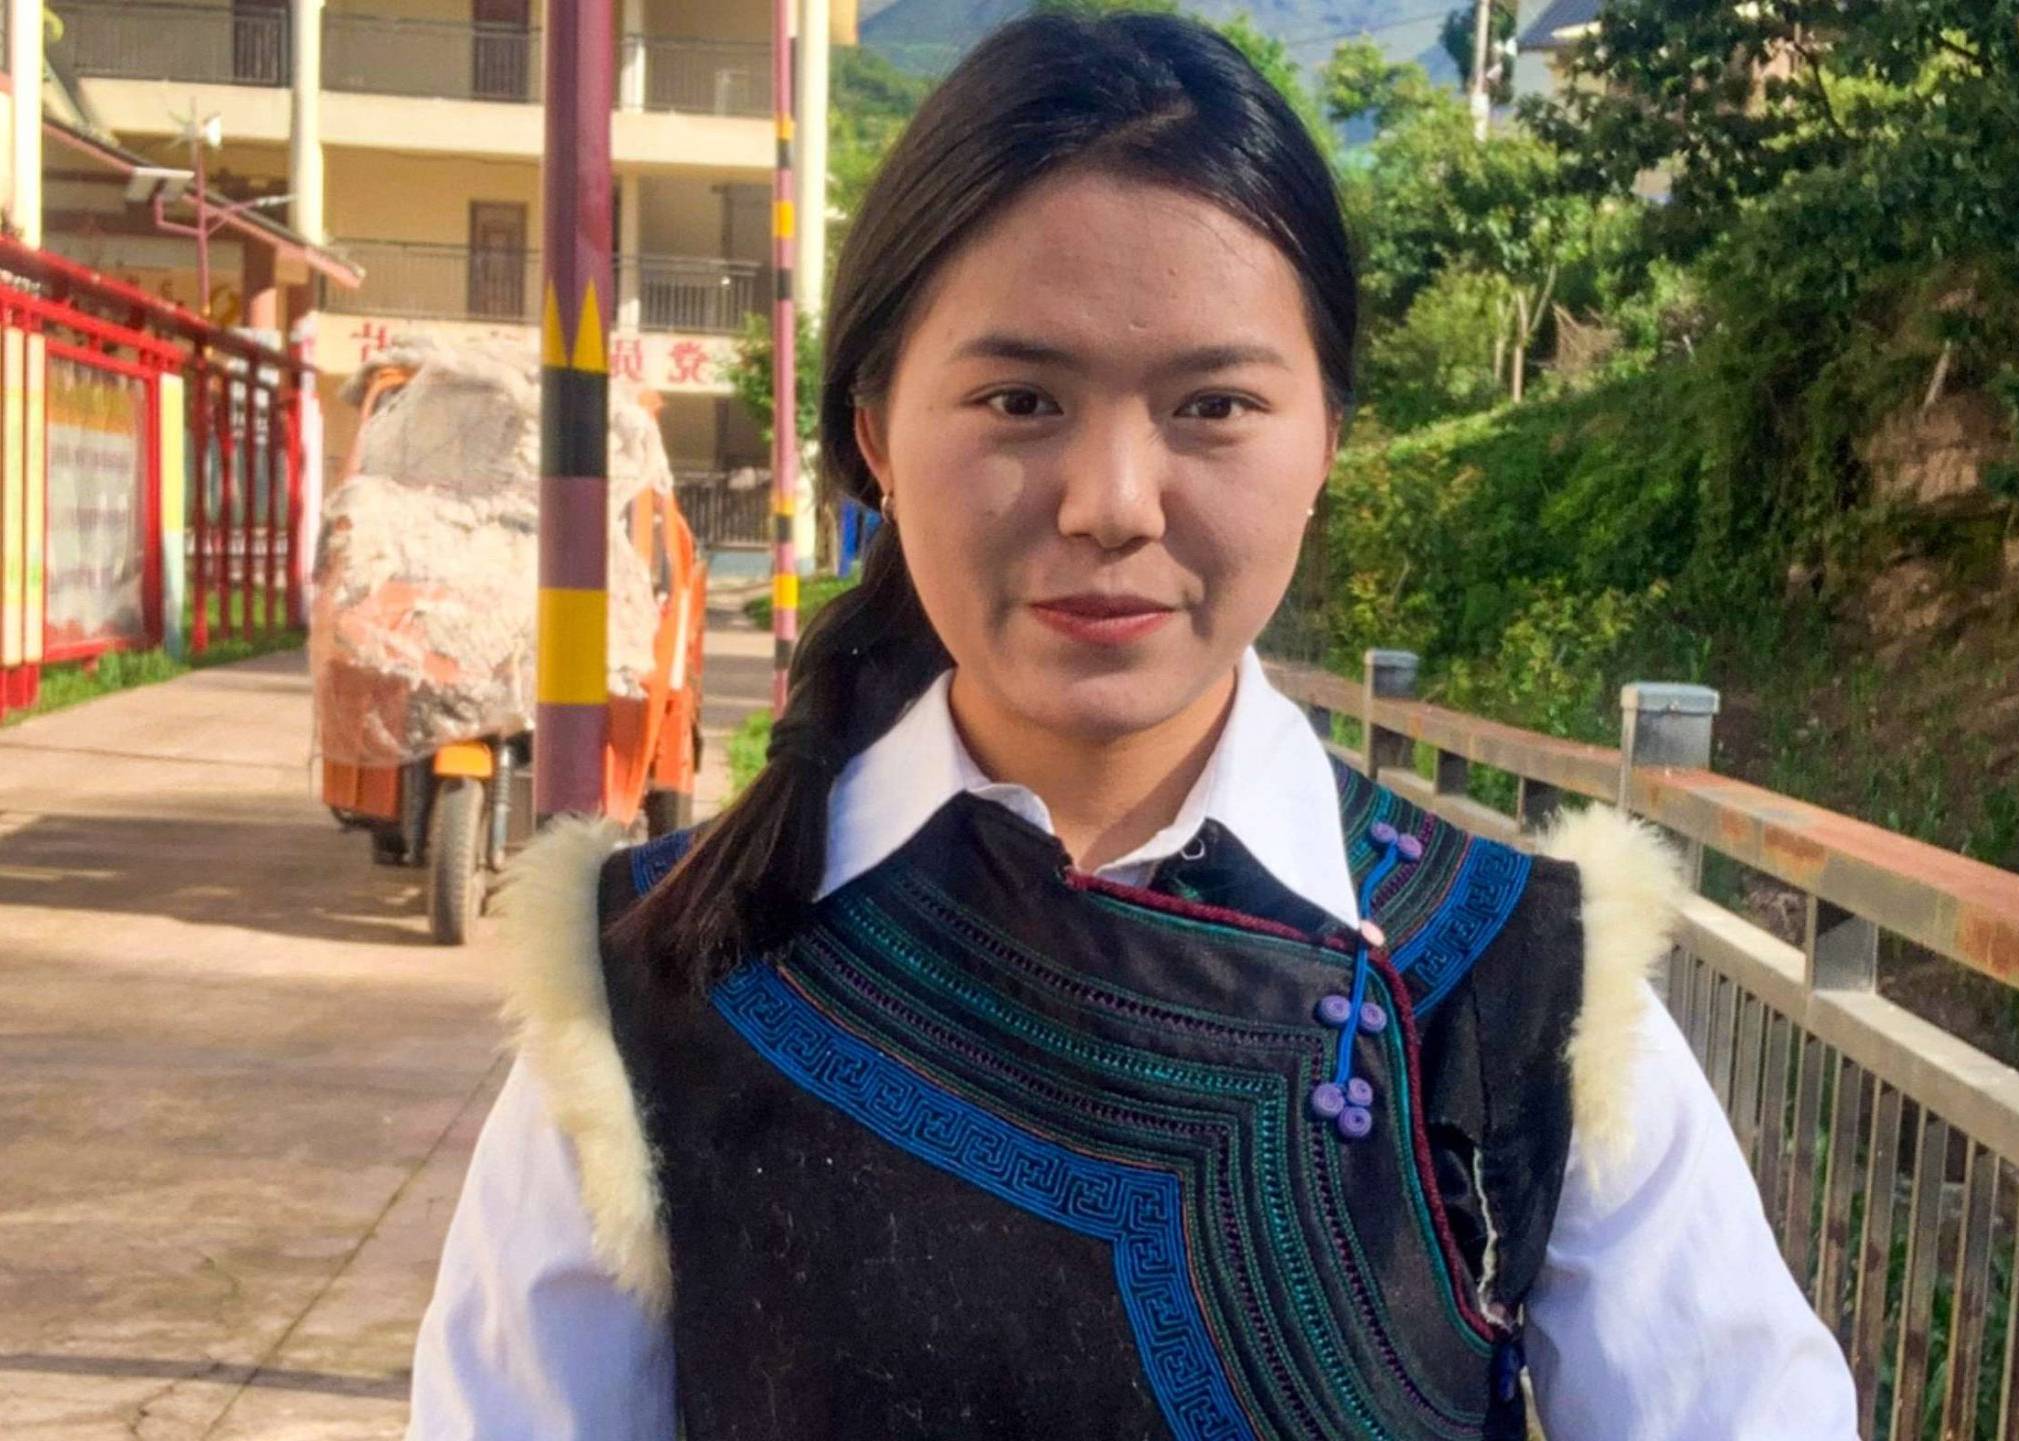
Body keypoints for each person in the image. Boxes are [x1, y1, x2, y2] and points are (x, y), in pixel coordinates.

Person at [405, 12, 1859, 1439]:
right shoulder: (655, 982)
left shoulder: (1512, 993)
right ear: (873, 432)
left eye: (1212, 404)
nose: (1111, 498)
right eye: (1019, 397)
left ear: (1326, 442)